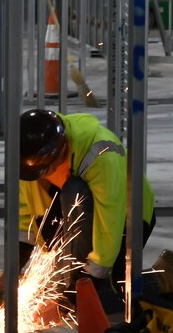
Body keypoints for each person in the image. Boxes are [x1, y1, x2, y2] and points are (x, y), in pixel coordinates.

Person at [14, 108, 156, 297]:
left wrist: (87, 281)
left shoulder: (100, 153)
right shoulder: (31, 163)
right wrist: (14, 266)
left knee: (113, 289)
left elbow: (109, 220)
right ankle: (70, 287)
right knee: (61, 281)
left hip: (125, 216)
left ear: (62, 149)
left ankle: (159, 283)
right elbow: (26, 216)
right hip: (79, 207)